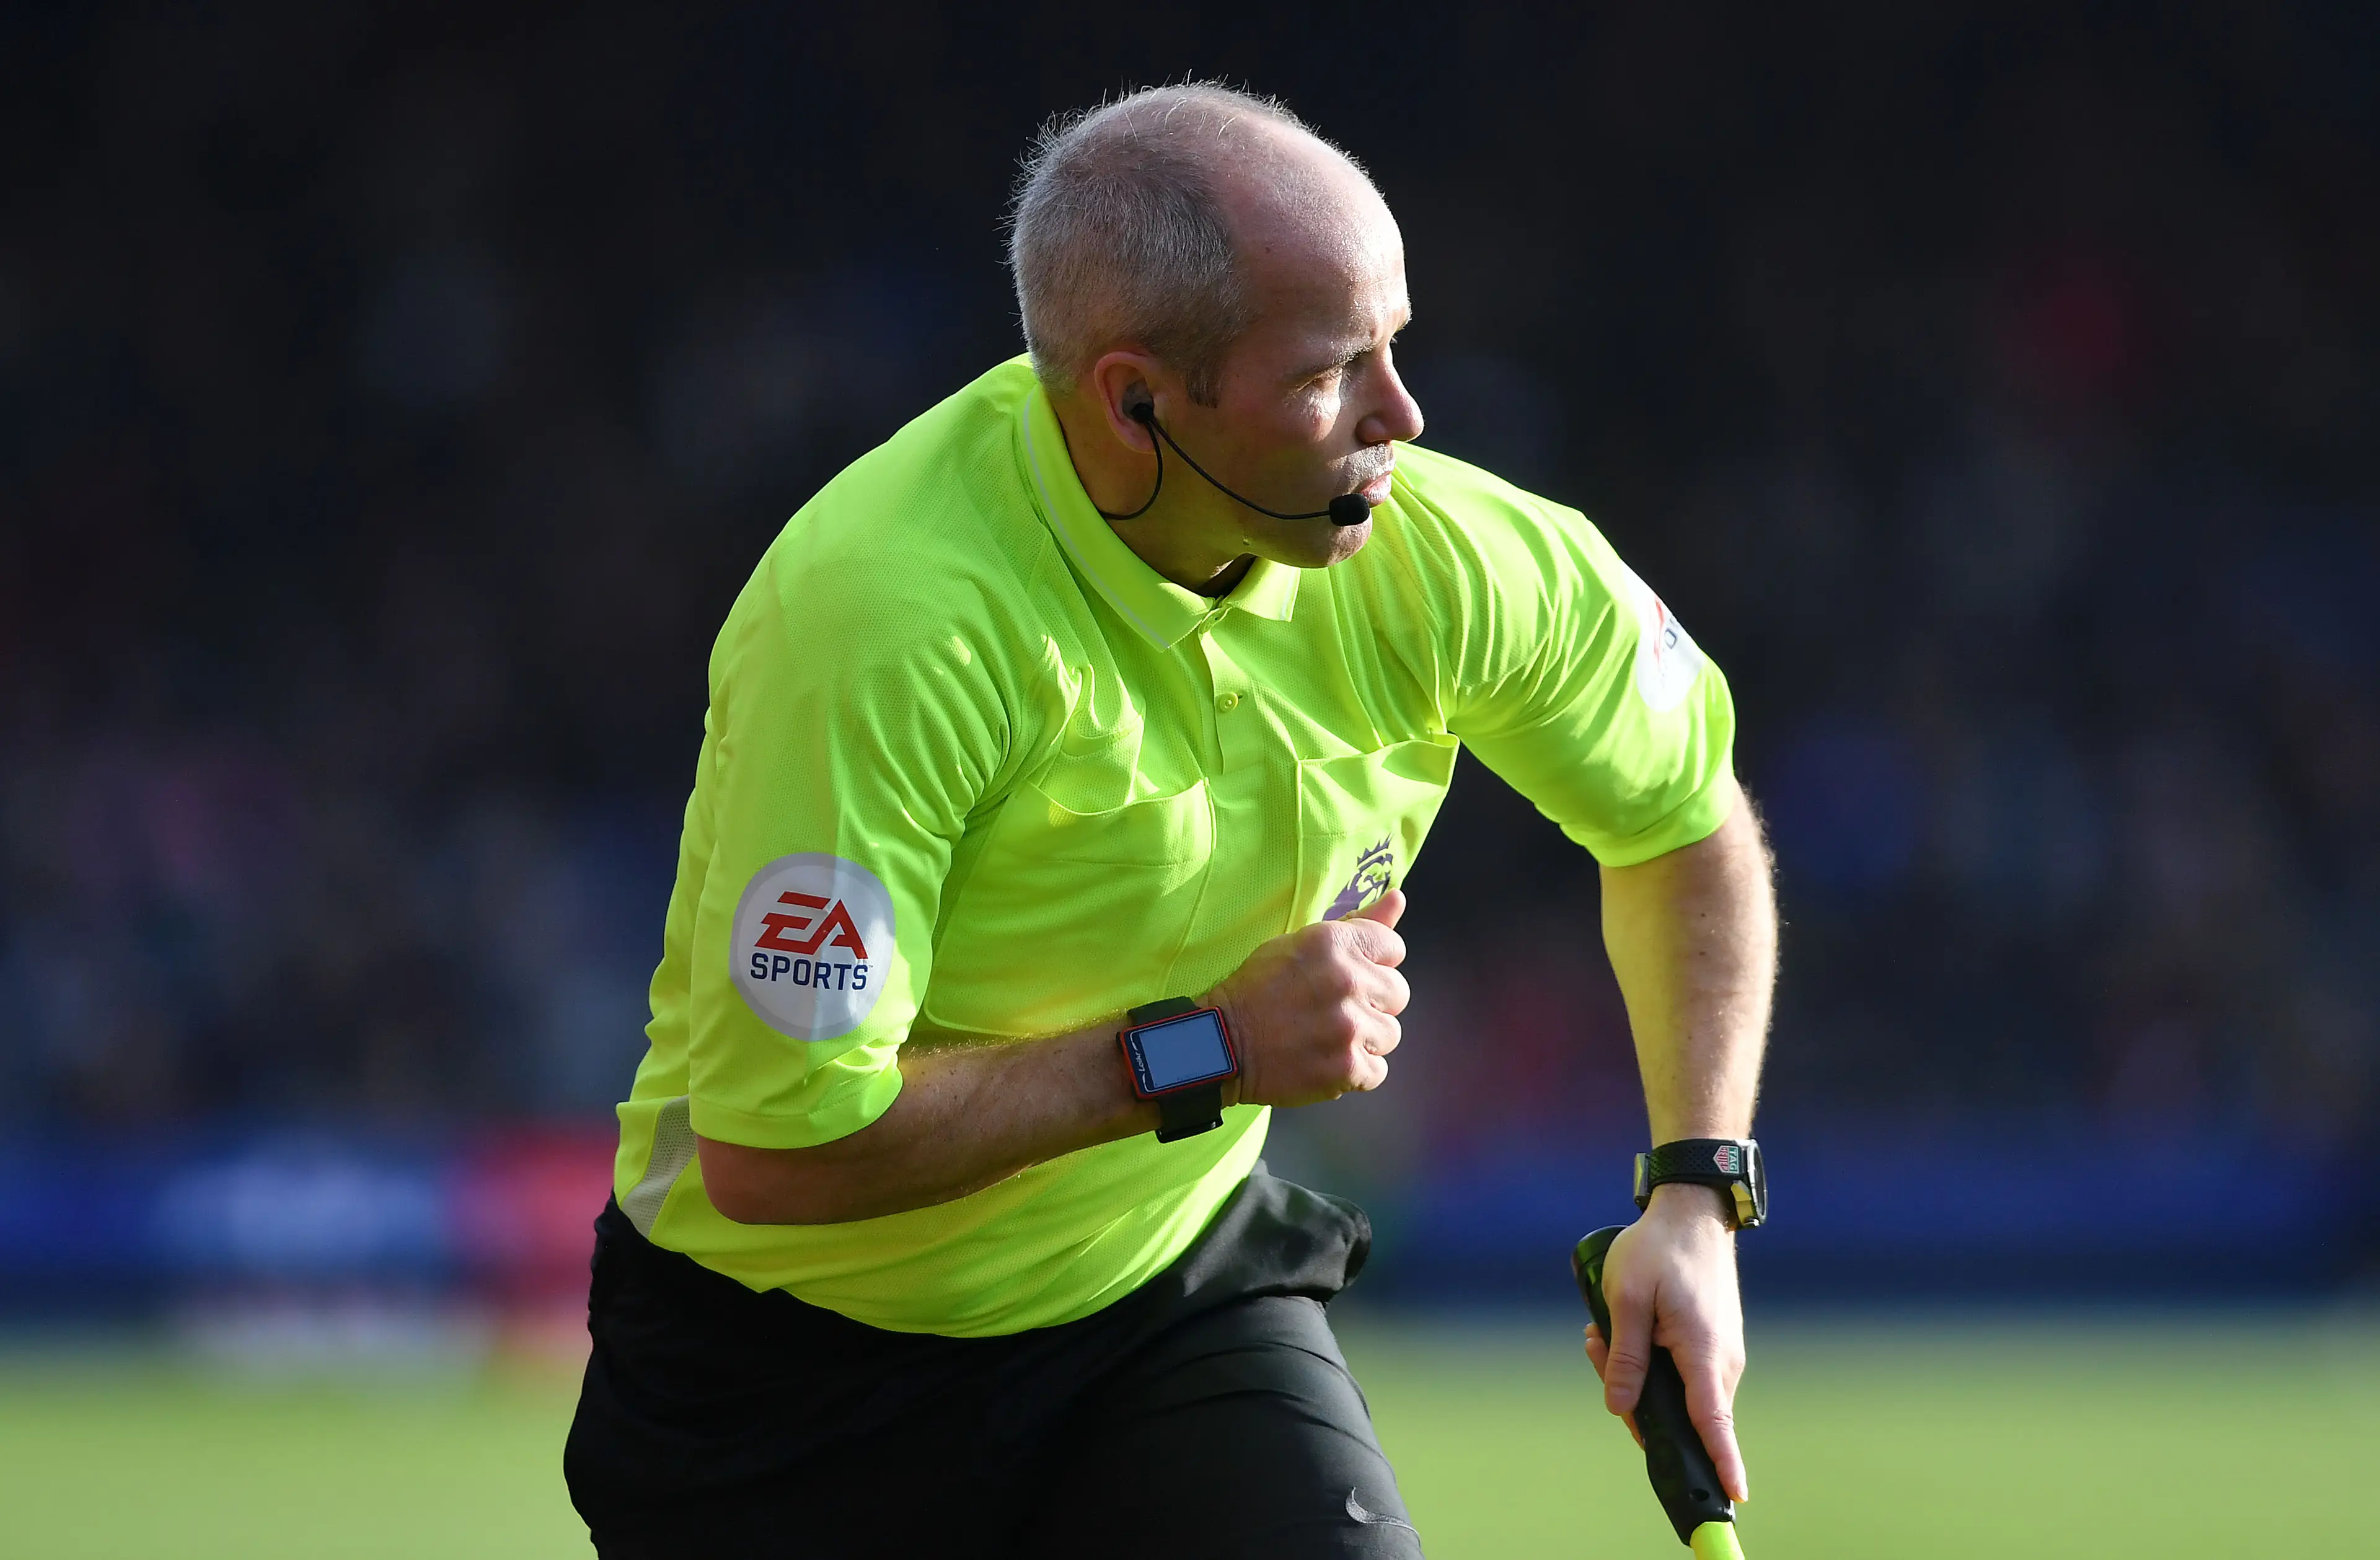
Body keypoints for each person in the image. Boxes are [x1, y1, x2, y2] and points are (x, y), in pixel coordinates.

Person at [564, 82, 1775, 1559]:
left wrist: (1695, 1196)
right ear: (1134, 401)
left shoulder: (1447, 556)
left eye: (1395, 343)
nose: (1402, 415)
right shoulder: (885, 627)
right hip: (779, 1375)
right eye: (1329, 371)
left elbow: (1682, 823)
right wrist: (1212, 1047)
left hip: (1159, 1302)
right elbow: (776, 1153)